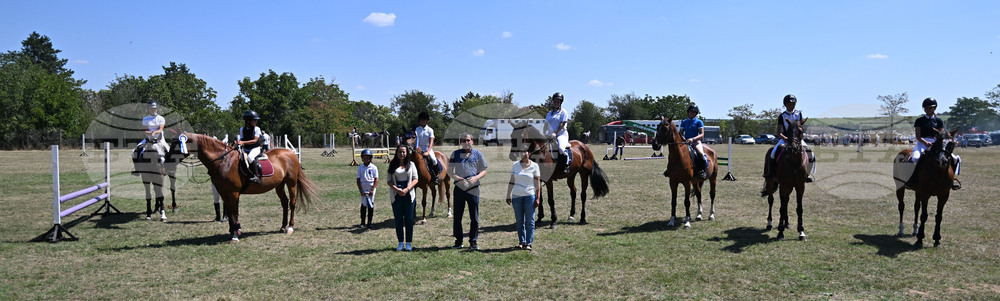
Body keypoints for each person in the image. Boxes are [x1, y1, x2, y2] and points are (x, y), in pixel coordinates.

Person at [904, 98, 961, 190]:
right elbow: (918, 136)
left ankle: (951, 180)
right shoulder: (919, 120)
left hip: (936, 142)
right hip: (922, 143)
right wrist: (926, 142)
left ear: (934, 108)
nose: (928, 109)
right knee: (915, 158)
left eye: (930, 108)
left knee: (955, 159)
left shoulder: (939, 121)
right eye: (926, 108)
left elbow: (941, 134)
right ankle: (911, 179)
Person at [448, 133, 488, 250]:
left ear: (472, 141)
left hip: (473, 189)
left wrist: (476, 177)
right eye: (463, 140)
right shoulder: (455, 154)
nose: (466, 142)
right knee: (457, 217)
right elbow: (450, 171)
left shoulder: (478, 154)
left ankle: (473, 241)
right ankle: (458, 241)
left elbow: (484, 170)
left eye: (468, 140)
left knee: (474, 217)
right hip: (459, 188)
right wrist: (456, 178)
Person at [763, 94, 814, 182]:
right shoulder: (782, 116)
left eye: (793, 104)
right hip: (785, 139)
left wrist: (799, 134)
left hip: (797, 139)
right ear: (785, 105)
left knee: (811, 153)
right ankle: (771, 173)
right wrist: (784, 138)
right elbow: (779, 132)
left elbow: (800, 127)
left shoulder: (798, 113)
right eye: (789, 104)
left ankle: (807, 174)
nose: (791, 106)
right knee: (773, 153)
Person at [505, 145, 541, 251]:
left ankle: (529, 243)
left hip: (529, 196)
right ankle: (521, 241)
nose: (523, 153)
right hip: (517, 197)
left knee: (530, 221)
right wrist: (508, 195)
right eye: (521, 152)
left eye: (525, 151)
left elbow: (537, 183)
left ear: (529, 153)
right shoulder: (515, 165)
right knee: (519, 221)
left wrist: (538, 197)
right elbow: (512, 181)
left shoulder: (535, 166)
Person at [387, 144, 419, 251]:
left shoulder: (412, 164)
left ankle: (408, 243)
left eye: (404, 152)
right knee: (398, 219)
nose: (402, 154)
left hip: (408, 195)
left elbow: (415, 179)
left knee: (409, 219)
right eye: (400, 152)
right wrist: (397, 190)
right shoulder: (392, 164)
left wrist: (407, 189)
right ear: (397, 153)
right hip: (396, 195)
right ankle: (400, 242)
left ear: (407, 153)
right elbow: (389, 181)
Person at [132, 101, 169, 172]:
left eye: (155, 108)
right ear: (148, 109)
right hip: (148, 138)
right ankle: (137, 169)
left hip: (160, 138)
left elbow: (160, 129)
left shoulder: (161, 118)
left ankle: (169, 168)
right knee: (134, 151)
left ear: (157, 109)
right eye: (151, 108)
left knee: (168, 150)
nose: (153, 110)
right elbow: (145, 130)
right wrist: (150, 133)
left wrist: (155, 132)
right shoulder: (145, 119)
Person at [544, 92, 572, 173]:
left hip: (561, 134)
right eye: (555, 101)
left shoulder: (563, 112)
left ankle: (566, 164)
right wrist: (543, 133)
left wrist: (555, 133)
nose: (556, 103)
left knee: (560, 148)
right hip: (550, 135)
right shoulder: (549, 113)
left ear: (560, 103)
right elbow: (545, 125)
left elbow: (562, 124)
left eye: (558, 101)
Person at [679, 104, 709, 179]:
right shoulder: (684, 122)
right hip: (686, 142)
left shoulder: (699, 122)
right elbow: (681, 133)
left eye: (693, 112)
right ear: (688, 112)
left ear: (696, 113)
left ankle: (702, 171)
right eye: (690, 112)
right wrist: (683, 139)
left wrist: (693, 139)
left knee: (701, 154)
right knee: (676, 152)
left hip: (696, 142)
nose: (691, 113)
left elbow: (702, 134)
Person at [415, 112, 442, 185]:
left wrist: (427, 152)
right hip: (418, 149)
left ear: (427, 121)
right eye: (421, 120)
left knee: (434, 160)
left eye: (424, 120)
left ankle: (436, 177)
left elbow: (431, 143)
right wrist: (417, 149)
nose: (422, 121)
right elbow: (415, 141)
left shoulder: (430, 130)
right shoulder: (417, 129)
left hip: (427, 148)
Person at [237, 110, 264, 184]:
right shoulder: (242, 129)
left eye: (256, 120)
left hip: (255, 148)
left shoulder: (257, 129)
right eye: (254, 120)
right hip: (245, 148)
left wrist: (243, 142)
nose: (256, 122)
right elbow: (242, 139)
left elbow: (255, 141)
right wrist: (238, 142)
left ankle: (256, 177)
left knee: (250, 157)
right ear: (248, 121)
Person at [356, 149, 379, 229]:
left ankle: (369, 222)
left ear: (370, 158)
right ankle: (362, 222)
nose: (366, 159)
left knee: (370, 204)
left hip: (370, 186)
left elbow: (376, 179)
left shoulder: (373, 167)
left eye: (367, 158)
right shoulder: (360, 168)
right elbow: (358, 180)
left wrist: (372, 189)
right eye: (364, 158)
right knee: (363, 204)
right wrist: (361, 190)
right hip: (363, 186)